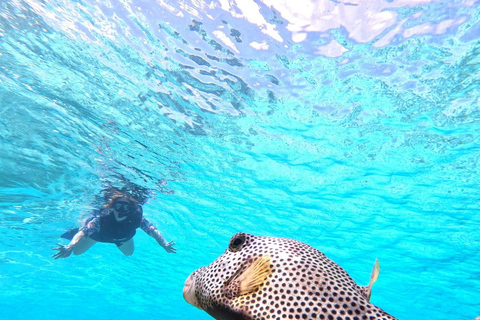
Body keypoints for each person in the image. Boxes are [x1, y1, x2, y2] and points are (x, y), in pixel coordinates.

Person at [52, 190, 176, 259]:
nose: (120, 210)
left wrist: (164, 244)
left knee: (129, 253)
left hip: (123, 237)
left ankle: (118, 238)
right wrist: (70, 246)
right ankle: (77, 231)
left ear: (130, 209)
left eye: (125, 206)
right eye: (118, 206)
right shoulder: (101, 219)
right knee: (76, 252)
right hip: (98, 235)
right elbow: (84, 232)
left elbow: (152, 230)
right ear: (112, 207)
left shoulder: (136, 219)